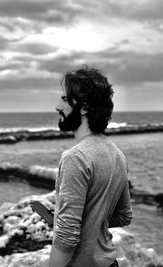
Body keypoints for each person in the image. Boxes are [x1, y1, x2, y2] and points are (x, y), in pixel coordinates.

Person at [49, 65, 132, 267]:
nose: (57, 106)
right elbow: (123, 216)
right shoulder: (117, 154)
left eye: (64, 99)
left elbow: (67, 237)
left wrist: (70, 224)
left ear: (84, 106)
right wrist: (87, 221)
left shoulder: (75, 158)